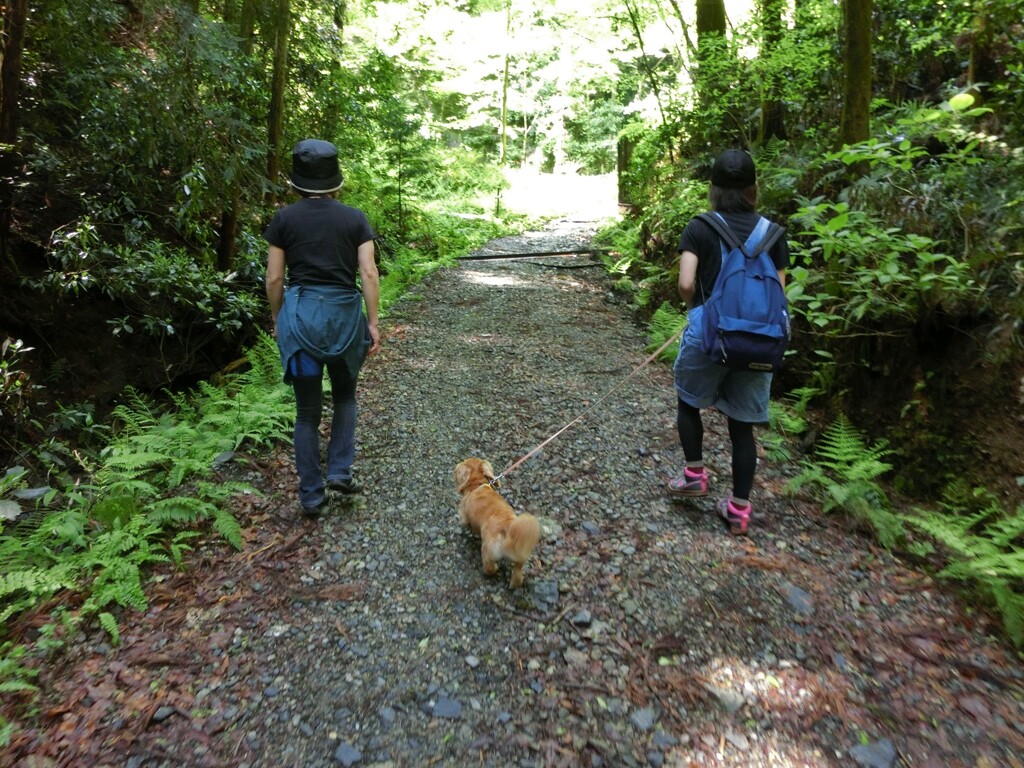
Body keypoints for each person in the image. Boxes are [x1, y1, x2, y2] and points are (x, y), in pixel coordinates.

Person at [667, 149, 790, 535]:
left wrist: (697, 311)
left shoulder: (700, 227)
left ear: (714, 188)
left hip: (709, 334)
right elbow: (779, 295)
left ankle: (695, 475)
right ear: (754, 189)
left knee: (689, 401)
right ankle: (738, 509)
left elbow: (687, 283)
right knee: (743, 426)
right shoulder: (773, 233)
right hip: (757, 341)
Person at [264, 139, 381, 517]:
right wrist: (373, 322)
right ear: (335, 179)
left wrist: (278, 319)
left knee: (307, 412)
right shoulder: (355, 218)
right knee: (346, 398)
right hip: (345, 319)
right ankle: (340, 471)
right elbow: (368, 271)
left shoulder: (283, 220)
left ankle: (312, 496)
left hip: (300, 320)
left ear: (297, 181)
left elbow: (274, 278)